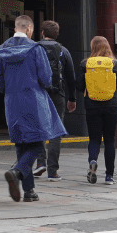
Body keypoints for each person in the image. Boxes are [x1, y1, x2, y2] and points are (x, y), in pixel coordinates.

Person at [0, 15, 66, 203]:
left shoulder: (0, 51)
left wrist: (9, 90)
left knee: (21, 143)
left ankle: (29, 191)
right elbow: (46, 78)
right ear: (29, 29)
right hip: (33, 100)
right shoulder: (35, 49)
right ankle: (17, 171)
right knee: (37, 142)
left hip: (12, 102)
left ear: (15, 28)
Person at [81, 35, 117, 185]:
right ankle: (109, 176)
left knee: (94, 138)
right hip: (111, 105)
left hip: (92, 105)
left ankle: (93, 161)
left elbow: (79, 85)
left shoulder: (85, 64)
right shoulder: (115, 64)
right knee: (109, 140)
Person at [36, 20, 77, 181]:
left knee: (39, 128)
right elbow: (71, 77)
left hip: (38, 94)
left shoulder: (34, 48)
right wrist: (72, 98)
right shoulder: (63, 51)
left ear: (42, 33)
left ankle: (40, 164)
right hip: (57, 95)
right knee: (55, 132)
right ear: (57, 34)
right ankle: (53, 172)